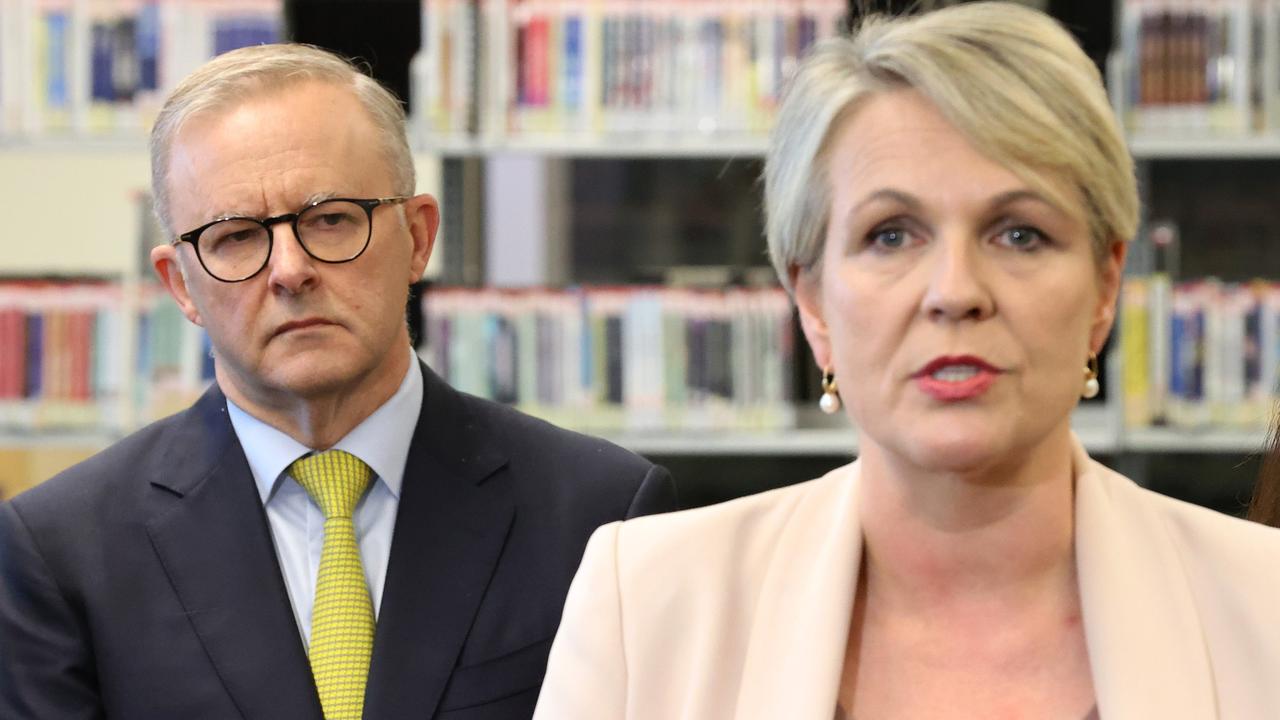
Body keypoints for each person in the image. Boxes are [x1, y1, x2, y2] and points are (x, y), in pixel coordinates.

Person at [533, 4, 1280, 719]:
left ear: (1105, 288)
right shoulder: (649, 600)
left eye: (1018, 234)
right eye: (891, 235)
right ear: (813, 301)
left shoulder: (1262, 601)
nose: (955, 293)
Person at [0, 44, 676, 720]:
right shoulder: (62, 553)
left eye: (330, 219)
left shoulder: (601, 515)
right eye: (235, 236)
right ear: (180, 285)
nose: (290, 270)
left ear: (417, 238)